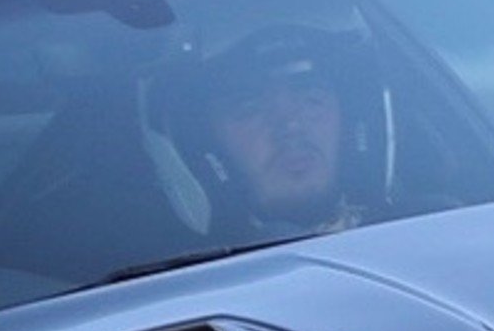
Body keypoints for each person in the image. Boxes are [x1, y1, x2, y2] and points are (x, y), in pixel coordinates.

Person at [163, 23, 394, 239]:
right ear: (206, 143)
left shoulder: (419, 234)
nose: (290, 126)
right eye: (251, 110)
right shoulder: (178, 278)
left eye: (311, 100)